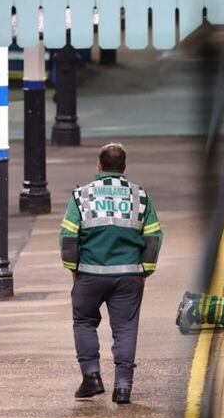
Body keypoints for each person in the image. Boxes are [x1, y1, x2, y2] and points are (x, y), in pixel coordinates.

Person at [60, 143, 163, 404]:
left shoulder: (81, 196)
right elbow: (153, 238)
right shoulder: (141, 197)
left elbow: (68, 237)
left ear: (99, 165)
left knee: (84, 322)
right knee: (126, 329)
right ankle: (123, 387)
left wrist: (74, 268)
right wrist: (144, 271)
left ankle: (92, 378)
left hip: (90, 274)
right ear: (124, 168)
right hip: (129, 275)